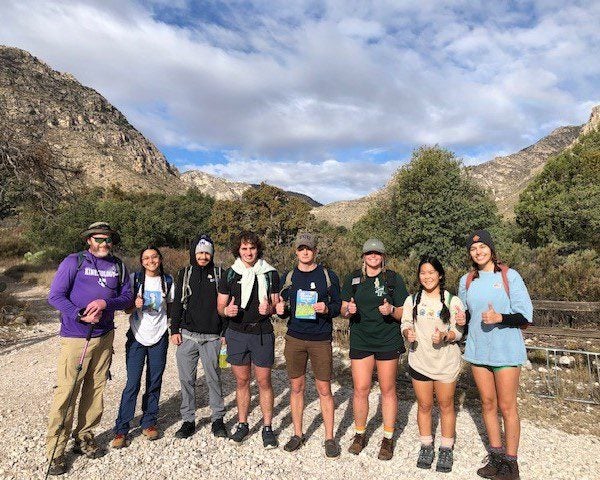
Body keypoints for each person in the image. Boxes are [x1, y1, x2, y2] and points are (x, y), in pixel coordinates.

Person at [46, 222, 133, 476]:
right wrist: (79, 314)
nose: (104, 244)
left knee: (95, 389)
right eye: (99, 239)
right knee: (67, 392)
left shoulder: (118, 266)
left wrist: (105, 302)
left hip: (105, 336)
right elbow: (55, 296)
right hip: (76, 337)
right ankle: (56, 450)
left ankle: (84, 436)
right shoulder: (73, 262)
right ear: (89, 241)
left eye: (108, 240)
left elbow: (127, 297)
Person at [458, 230, 533, 480]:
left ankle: (511, 465)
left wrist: (500, 317)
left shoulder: (510, 276)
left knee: (507, 406)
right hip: (478, 350)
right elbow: (466, 314)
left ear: (491, 248)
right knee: (487, 404)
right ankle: (496, 456)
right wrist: (461, 318)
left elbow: (525, 316)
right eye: (473, 249)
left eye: (482, 247)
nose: (478, 252)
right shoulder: (467, 280)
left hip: (506, 350)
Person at [340, 238, 408, 461]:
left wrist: (390, 311)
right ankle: (360, 434)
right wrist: (348, 310)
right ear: (363, 256)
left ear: (383, 256)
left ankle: (388, 439)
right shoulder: (353, 278)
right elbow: (343, 309)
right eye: (369, 253)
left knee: (388, 389)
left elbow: (402, 312)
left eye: (377, 253)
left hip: (387, 339)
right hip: (361, 339)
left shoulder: (393, 279)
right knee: (361, 389)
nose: (373, 256)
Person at [275, 232, 342, 458]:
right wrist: (281, 310)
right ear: (296, 251)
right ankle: (297, 434)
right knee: (296, 387)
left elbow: (338, 305)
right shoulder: (289, 276)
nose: (305, 252)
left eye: (309, 248)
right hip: (294, 337)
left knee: (324, 389)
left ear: (315, 251)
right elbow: (283, 308)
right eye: (301, 248)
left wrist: (327, 309)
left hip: (320, 338)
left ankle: (329, 438)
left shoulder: (327, 275)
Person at [401, 256, 465, 473]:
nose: (427, 277)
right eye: (423, 273)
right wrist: (407, 332)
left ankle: (446, 447)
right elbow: (406, 322)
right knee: (424, 405)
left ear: (440, 274)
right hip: (420, 361)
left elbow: (459, 331)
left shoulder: (452, 301)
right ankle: (426, 444)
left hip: (446, 363)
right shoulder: (413, 300)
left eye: (431, 272)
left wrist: (446, 336)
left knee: (446, 405)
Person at [217, 231, 280, 448]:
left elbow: (276, 306)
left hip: (262, 332)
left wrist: (269, 308)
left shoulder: (270, 274)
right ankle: (243, 424)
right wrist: (227, 311)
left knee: (264, 381)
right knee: (242, 381)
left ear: (257, 249)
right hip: (236, 333)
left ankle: (267, 427)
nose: (248, 252)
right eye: (244, 248)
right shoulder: (230, 274)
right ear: (238, 250)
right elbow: (220, 307)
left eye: (252, 248)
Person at [112, 246, 174, 448]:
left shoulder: (168, 282)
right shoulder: (134, 279)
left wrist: (175, 331)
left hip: (159, 337)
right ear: (141, 261)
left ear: (160, 259)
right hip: (137, 337)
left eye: (154, 257)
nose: (151, 261)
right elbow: (126, 308)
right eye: (146, 258)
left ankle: (148, 422)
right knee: (132, 383)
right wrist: (133, 305)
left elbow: (172, 309)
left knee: (154, 381)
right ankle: (122, 429)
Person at [170, 234, 228, 439]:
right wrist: (174, 330)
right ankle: (188, 420)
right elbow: (177, 303)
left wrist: (225, 333)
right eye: (200, 253)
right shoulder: (184, 273)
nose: (203, 257)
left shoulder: (221, 274)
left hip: (213, 337)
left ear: (211, 254)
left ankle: (218, 419)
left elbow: (227, 305)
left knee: (214, 378)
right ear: (194, 254)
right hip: (187, 336)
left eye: (207, 253)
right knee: (187, 379)